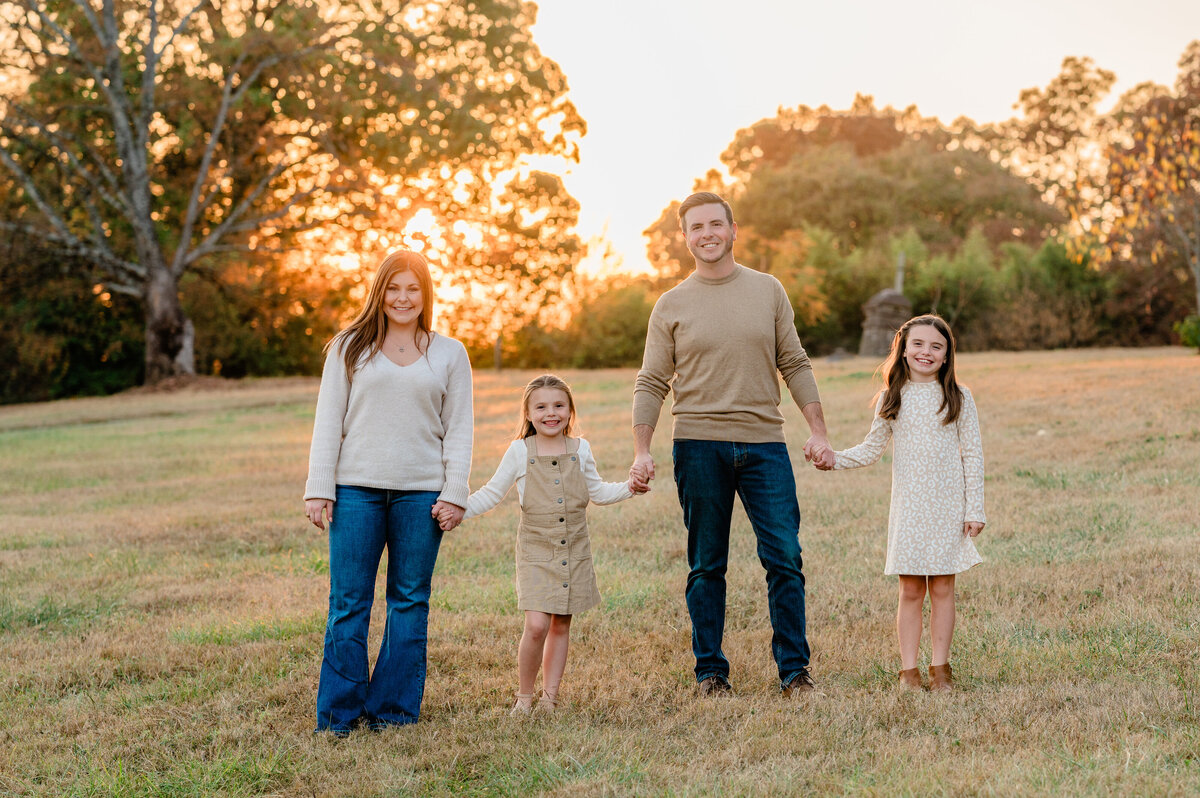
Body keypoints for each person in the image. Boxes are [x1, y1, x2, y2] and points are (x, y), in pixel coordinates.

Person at [629, 191, 833, 698]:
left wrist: (819, 431)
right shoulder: (671, 304)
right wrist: (641, 449)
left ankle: (794, 671)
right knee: (706, 564)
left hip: (765, 444)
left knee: (785, 557)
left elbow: (796, 363)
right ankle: (711, 672)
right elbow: (651, 381)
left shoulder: (768, 290)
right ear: (685, 237)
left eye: (715, 224)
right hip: (698, 446)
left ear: (734, 229)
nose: (707, 234)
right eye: (696, 227)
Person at [304, 249, 473, 734]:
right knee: (349, 603)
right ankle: (338, 716)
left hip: (420, 495)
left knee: (409, 601)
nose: (403, 298)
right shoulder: (348, 347)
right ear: (379, 293)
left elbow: (459, 429)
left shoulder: (449, 353)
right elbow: (327, 422)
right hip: (355, 490)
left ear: (426, 295)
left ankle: (393, 713)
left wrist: (455, 492)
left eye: (412, 289)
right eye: (393, 288)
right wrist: (320, 488)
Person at [452, 374, 638, 715]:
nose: (550, 413)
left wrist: (630, 487)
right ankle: (525, 698)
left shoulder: (581, 449)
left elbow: (597, 492)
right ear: (528, 413)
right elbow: (492, 493)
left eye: (558, 406)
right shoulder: (519, 451)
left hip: (573, 548)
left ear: (570, 411)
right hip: (536, 549)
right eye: (541, 406)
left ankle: (550, 698)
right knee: (537, 624)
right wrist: (456, 511)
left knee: (561, 624)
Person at [819, 314, 985, 691]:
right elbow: (871, 450)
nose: (926, 352)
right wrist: (833, 458)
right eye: (919, 344)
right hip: (910, 508)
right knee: (911, 590)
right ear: (904, 350)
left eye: (936, 346)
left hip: (947, 506)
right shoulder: (891, 398)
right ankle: (908, 672)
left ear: (946, 355)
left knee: (943, 587)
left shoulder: (959, 396)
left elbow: (972, 454)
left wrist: (974, 508)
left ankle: (940, 668)